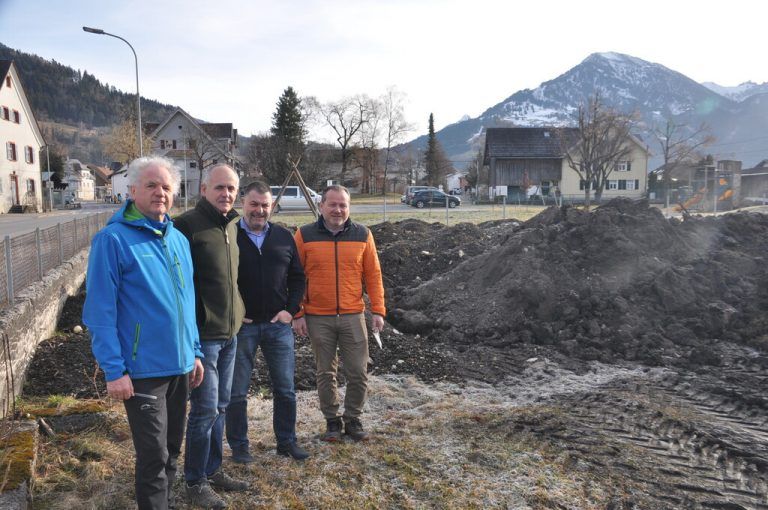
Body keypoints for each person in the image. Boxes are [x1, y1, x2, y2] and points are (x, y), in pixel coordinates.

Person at [83, 156, 203, 510]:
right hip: (143, 371)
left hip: (181, 366)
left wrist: (194, 351)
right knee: (153, 459)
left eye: (166, 187)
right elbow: (99, 312)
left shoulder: (178, 239)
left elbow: (187, 301)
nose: (159, 193)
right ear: (132, 190)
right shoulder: (112, 240)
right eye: (150, 185)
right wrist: (114, 370)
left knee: (171, 453)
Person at [174, 164, 247, 508]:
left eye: (231, 188)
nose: (226, 194)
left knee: (220, 406)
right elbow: (181, 290)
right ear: (204, 189)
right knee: (204, 411)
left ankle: (213, 469)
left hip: (230, 333)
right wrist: (192, 347)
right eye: (219, 187)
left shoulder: (232, 224)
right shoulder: (187, 226)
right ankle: (195, 481)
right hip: (204, 339)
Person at [292, 185, 386, 442]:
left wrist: (378, 310)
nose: (338, 209)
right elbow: (295, 276)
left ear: (349, 207)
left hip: (353, 315)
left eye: (343, 205)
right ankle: (332, 421)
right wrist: (297, 312)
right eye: (332, 204)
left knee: (358, 371)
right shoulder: (304, 235)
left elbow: (373, 275)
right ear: (321, 206)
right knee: (325, 372)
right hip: (317, 316)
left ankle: (353, 418)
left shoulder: (363, 235)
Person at [225, 181, 309, 462]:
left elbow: (298, 278)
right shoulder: (229, 235)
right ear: (242, 204)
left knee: (285, 388)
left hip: (278, 326)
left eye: (265, 205)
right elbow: (219, 280)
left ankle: (286, 441)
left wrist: (291, 309)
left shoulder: (284, 236)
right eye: (254, 204)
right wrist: (233, 312)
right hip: (242, 327)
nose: (260, 210)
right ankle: (239, 447)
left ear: (272, 206)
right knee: (237, 392)